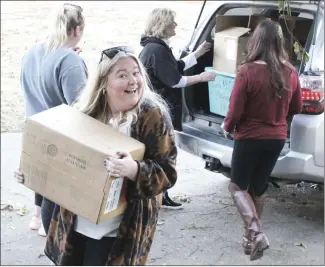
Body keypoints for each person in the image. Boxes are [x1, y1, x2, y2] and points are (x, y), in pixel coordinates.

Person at [15, 46, 178, 266]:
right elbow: (58, 161)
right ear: (104, 83)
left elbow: (168, 172)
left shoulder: (151, 115)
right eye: (122, 75)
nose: (133, 81)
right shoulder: (85, 113)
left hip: (118, 233)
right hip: (75, 226)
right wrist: (32, 172)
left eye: (136, 72)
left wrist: (135, 170)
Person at [221, 20, 303, 261]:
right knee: (259, 186)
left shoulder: (246, 71)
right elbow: (296, 107)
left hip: (249, 137)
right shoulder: (290, 71)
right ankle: (250, 240)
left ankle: (256, 233)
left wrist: (227, 127)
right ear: (280, 42)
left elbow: (235, 110)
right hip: (276, 138)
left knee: (237, 186)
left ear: (255, 41)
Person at [17, 3, 87, 237]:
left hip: (35, 131)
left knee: (42, 181)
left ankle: (37, 217)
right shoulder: (69, 61)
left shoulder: (32, 52)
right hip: (61, 139)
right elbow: (81, 108)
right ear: (76, 30)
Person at [139, 8, 216, 208]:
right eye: (172, 22)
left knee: (159, 152)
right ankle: (159, 195)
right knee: (163, 153)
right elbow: (176, 80)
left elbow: (176, 66)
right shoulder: (156, 51)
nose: (175, 26)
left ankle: (160, 195)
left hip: (158, 111)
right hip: (160, 112)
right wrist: (202, 77)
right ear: (163, 25)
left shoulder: (155, 48)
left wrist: (197, 54)